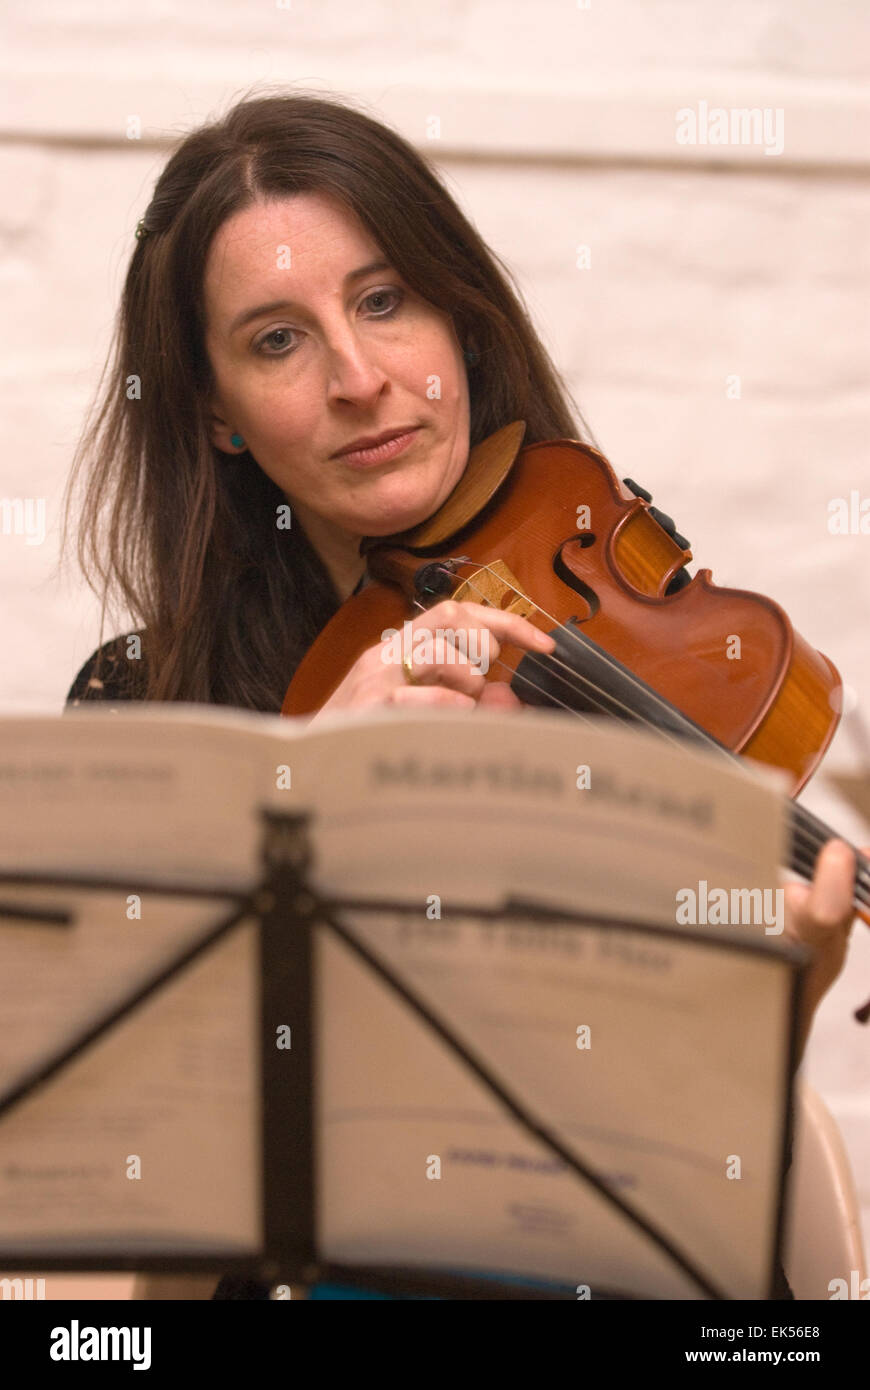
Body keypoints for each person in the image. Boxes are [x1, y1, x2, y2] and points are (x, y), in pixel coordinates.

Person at [63, 89, 860, 1299]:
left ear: (461, 324)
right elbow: (146, 1206)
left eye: (385, 301)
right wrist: (301, 784)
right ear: (217, 417)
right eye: (278, 339)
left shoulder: (610, 626)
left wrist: (782, 983)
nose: (360, 376)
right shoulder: (148, 707)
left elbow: (704, 1181)